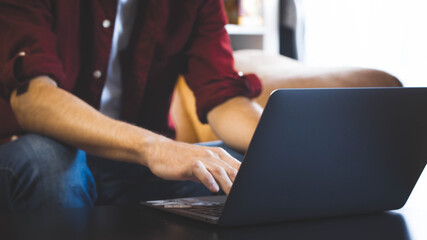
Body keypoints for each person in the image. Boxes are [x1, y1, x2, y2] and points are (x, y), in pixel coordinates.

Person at [0, 0, 401, 213]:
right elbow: (34, 98)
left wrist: (288, 150)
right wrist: (157, 148)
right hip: (30, 151)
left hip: (134, 168)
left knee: (243, 166)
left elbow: (223, 96)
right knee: (51, 162)